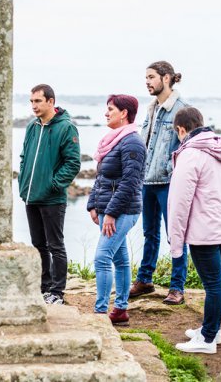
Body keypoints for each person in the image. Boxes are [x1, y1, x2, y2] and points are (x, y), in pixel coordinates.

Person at [168, 107, 221, 354]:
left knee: (213, 285)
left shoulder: (191, 155)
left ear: (181, 129)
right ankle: (213, 329)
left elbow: (178, 203)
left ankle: (207, 339)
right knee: (215, 281)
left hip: (204, 231)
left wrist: (175, 243)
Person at [130, 61, 189, 305]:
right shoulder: (151, 109)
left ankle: (177, 287)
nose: (147, 81)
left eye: (151, 77)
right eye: (146, 77)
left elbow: (187, 147)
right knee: (149, 233)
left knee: (175, 235)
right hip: (146, 180)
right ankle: (145, 280)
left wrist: (168, 169)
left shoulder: (182, 110)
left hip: (167, 183)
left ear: (166, 79)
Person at [18, 84, 81, 305]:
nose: (34, 106)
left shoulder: (66, 128)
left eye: (38, 101)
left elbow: (73, 163)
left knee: (55, 245)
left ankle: (57, 292)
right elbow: (24, 156)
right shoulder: (32, 127)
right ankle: (43, 287)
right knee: (38, 244)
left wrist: (53, 184)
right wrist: (24, 182)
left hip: (52, 198)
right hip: (31, 196)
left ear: (50, 102)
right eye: (32, 101)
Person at [87, 94, 145, 326]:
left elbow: (131, 183)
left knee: (102, 257)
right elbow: (102, 177)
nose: (106, 112)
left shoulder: (132, 142)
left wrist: (110, 213)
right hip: (107, 209)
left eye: (111, 108)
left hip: (123, 211)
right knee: (120, 259)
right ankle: (120, 311)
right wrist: (93, 204)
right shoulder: (113, 140)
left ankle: (101, 313)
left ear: (124, 113)